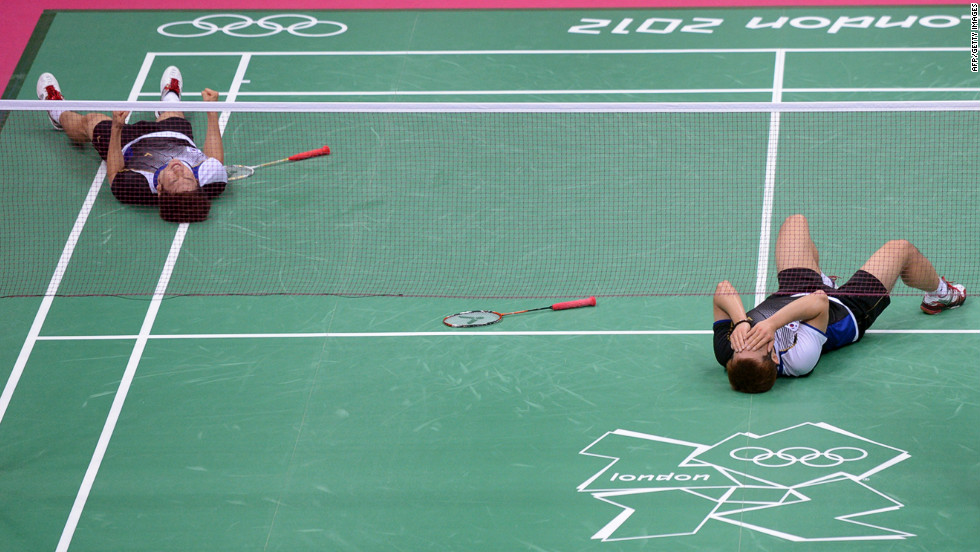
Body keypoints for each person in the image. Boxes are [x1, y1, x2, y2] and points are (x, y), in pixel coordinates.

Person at [713, 214, 967, 393]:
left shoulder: (729, 352)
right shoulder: (799, 362)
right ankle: (941, 294)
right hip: (843, 310)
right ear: (775, 360)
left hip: (789, 294)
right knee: (899, 250)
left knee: (795, 223)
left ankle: (820, 278)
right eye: (757, 344)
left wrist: (741, 324)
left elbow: (722, 290)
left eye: (740, 346)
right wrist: (769, 326)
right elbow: (819, 302)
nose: (748, 340)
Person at [36, 66, 227, 223]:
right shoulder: (211, 181)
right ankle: (170, 96)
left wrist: (117, 128)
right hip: (174, 137)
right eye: (188, 178)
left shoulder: (134, 189)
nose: (180, 172)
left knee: (90, 121)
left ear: (159, 190)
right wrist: (212, 110)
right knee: (174, 111)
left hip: (129, 144)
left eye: (174, 180)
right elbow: (214, 161)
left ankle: (55, 109)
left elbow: (114, 171)